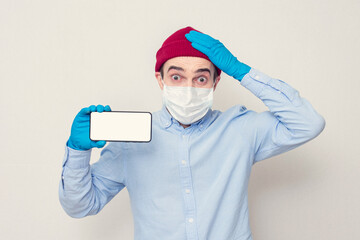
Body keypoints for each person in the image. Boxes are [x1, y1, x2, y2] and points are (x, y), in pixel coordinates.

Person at [59, 26, 326, 240]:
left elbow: (308, 123)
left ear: (215, 82)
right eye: (177, 77)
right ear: (159, 79)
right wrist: (78, 151)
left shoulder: (240, 128)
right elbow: (80, 205)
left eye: (200, 78)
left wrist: (241, 71)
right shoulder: (132, 141)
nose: (189, 87)